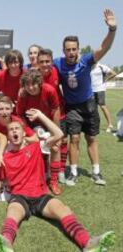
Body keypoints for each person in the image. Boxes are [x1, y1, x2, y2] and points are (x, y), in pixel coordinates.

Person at [0, 109, 116, 252]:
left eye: (17, 129)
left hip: (41, 196)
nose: (14, 131)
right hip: (20, 197)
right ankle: (6, 243)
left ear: (23, 134)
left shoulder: (36, 147)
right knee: (12, 212)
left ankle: (88, 244)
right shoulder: (5, 158)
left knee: (63, 209)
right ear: (8, 136)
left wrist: (41, 115)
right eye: (11, 130)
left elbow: (58, 134)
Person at [53, 9, 117, 186]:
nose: (71, 52)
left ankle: (96, 172)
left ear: (78, 49)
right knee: (74, 139)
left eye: (74, 49)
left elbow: (105, 48)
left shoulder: (86, 60)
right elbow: (39, 65)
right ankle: (73, 172)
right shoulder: (57, 62)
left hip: (89, 105)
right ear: (63, 51)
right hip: (72, 107)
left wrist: (112, 30)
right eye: (68, 50)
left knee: (91, 139)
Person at [17, 69, 62, 194]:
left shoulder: (49, 90)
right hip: (31, 125)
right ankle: (40, 178)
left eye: (33, 84)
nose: (31, 88)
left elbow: (56, 110)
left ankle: (53, 181)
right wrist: (29, 132)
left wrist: (55, 132)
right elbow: (20, 115)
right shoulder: (23, 94)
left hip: (48, 123)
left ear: (40, 83)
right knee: (36, 149)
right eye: (27, 84)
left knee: (55, 148)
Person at [37, 48, 68, 184]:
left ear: (52, 61)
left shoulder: (57, 71)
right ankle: (45, 172)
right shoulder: (34, 75)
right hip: (42, 116)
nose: (45, 64)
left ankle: (61, 170)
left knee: (62, 141)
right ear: (37, 63)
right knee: (44, 144)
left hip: (59, 112)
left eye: (47, 61)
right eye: (42, 62)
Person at [90, 62, 117, 132]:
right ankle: (95, 125)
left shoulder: (102, 66)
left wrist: (106, 79)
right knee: (93, 108)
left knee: (102, 106)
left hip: (100, 89)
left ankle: (110, 125)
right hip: (91, 90)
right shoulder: (89, 67)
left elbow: (114, 73)